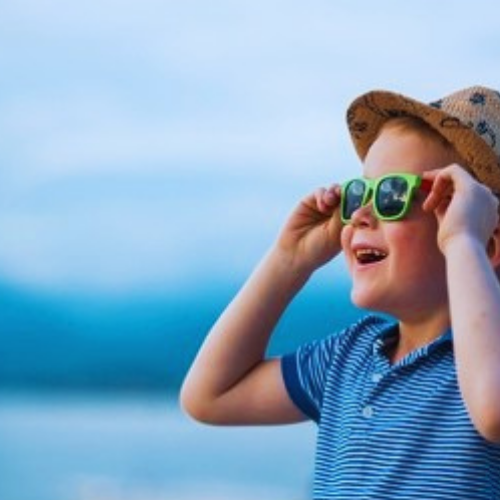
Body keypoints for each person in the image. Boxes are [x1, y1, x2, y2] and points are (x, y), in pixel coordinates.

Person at [180, 86, 500, 499]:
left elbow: (492, 411)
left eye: (391, 196)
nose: (362, 215)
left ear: (490, 243)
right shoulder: (346, 358)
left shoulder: (486, 366)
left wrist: (462, 242)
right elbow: (209, 396)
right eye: (358, 194)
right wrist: (288, 261)